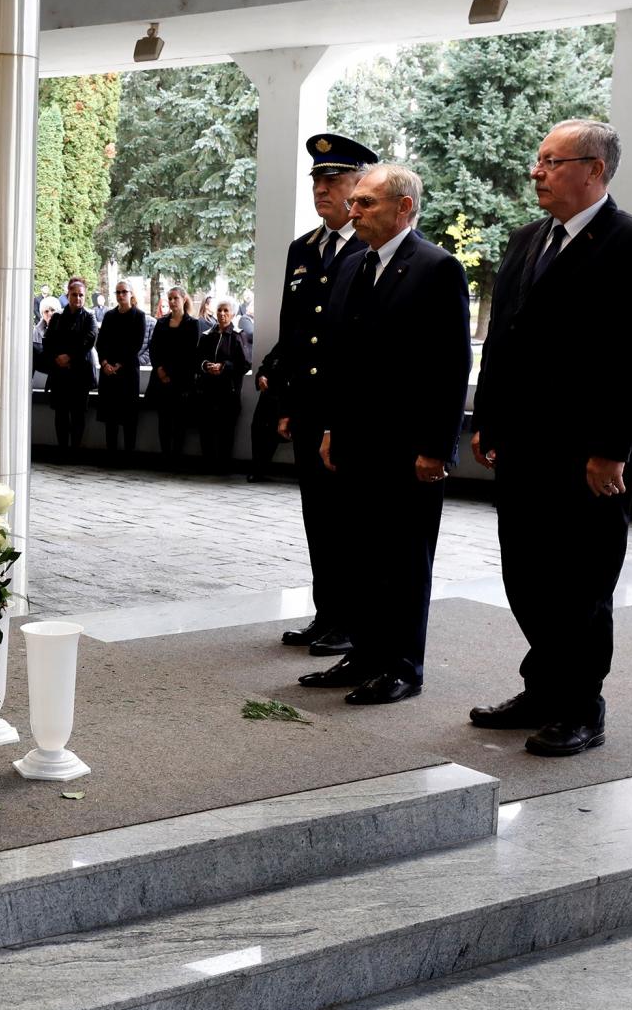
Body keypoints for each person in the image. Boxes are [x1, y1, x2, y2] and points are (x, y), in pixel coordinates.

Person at [469, 119, 632, 757]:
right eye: (538, 160)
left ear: (594, 169)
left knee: (582, 580)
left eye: (552, 162)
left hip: (589, 452)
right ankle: (543, 685)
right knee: (526, 572)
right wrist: (488, 418)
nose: (538, 171)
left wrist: (612, 448)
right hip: (523, 443)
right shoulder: (527, 239)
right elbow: (503, 339)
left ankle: (582, 704)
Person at [301, 163, 470, 707]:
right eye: (355, 202)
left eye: (367, 203)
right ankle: (365, 654)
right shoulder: (353, 264)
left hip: (407, 448)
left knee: (402, 560)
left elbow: (449, 367)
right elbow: (340, 360)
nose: (354, 210)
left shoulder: (437, 268)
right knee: (359, 554)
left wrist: (435, 447)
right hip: (354, 443)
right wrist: (331, 429)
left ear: (404, 208)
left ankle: (402, 666)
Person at [273, 133, 377, 656]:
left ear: (360, 184)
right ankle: (327, 612)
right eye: (317, 180)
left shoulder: (372, 249)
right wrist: (289, 401)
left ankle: (353, 620)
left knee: (348, 518)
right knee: (318, 515)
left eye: (333, 180)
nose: (322, 189)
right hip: (311, 404)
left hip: (348, 409)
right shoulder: (304, 248)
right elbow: (295, 328)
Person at [41, 278, 97, 453]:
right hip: (60, 374)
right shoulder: (57, 317)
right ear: (68, 295)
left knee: (78, 414)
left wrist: (70, 357)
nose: (78, 298)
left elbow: (88, 340)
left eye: (81, 295)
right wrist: (58, 358)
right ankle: (63, 450)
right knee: (61, 413)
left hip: (80, 374)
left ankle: (75, 451)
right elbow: (48, 341)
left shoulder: (89, 317)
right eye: (74, 295)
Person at [193, 299, 250, 473]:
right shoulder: (207, 335)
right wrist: (206, 366)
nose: (222, 314)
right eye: (219, 311)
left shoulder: (238, 335)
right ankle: (208, 464)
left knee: (226, 431)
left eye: (226, 311)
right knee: (206, 429)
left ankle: (224, 466)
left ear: (232, 314)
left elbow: (245, 363)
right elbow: (197, 359)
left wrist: (224, 367)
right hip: (207, 391)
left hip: (228, 392)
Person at [146, 287, 198, 469]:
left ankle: (176, 457)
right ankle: (165, 455)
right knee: (164, 420)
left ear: (183, 299)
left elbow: (189, 353)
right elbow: (154, 349)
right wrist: (160, 370)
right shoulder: (161, 323)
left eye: (176, 298)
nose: (172, 301)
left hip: (180, 380)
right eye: (170, 298)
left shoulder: (192, 324)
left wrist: (171, 373)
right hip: (161, 380)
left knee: (179, 421)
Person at [95, 281, 146, 459]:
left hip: (128, 372)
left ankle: (129, 455)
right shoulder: (109, 316)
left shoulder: (138, 316)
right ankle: (111, 454)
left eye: (124, 292)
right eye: (118, 292)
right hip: (109, 372)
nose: (121, 295)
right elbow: (101, 342)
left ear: (131, 293)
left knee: (128, 416)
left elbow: (136, 344)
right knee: (111, 416)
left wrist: (119, 364)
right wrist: (105, 363)